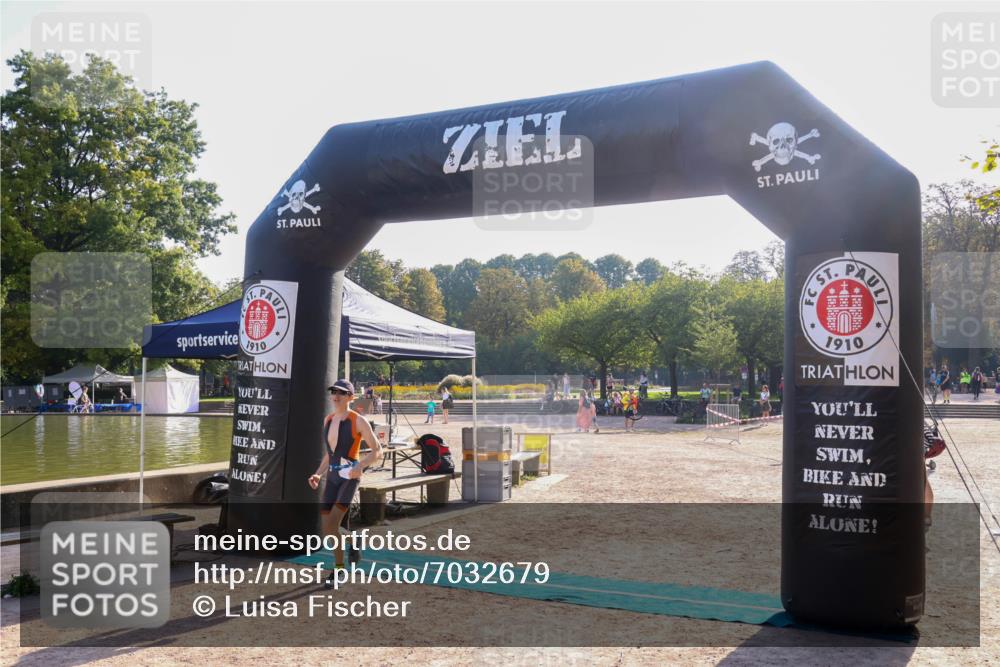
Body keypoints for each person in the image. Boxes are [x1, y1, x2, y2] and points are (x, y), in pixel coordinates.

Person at [308, 380, 381, 585]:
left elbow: (378, 451)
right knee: (327, 528)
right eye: (333, 392)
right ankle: (352, 540)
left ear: (351, 397)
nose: (336, 396)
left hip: (349, 478)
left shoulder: (358, 420)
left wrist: (361, 465)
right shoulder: (328, 420)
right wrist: (317, 474)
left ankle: (339, 570)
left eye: (341, 393)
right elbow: (330, 455)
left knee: (332, 525)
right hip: (331, 477)